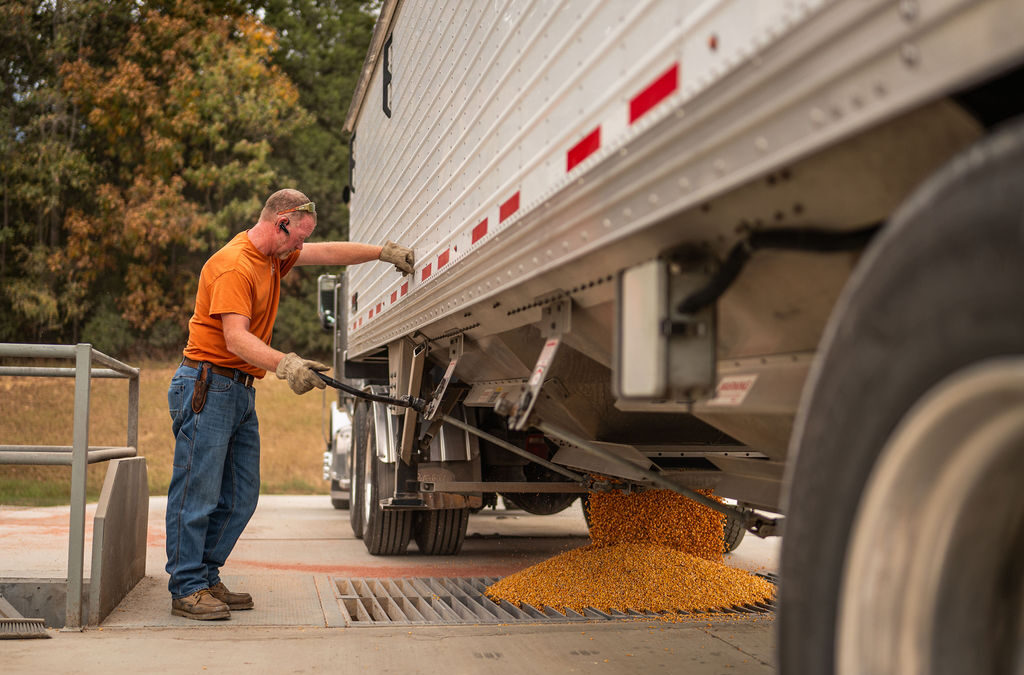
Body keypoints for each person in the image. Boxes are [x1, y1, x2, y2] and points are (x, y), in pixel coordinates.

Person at [165, 188, 413, 620]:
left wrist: (382, 253)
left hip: (239, 389)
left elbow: (329, 252)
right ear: (280, 222)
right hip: (208, 384)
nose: (301, 248)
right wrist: (287, 365)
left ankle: (205, 577)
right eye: (298, 237)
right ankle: (186, 587)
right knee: (197, 492)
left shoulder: (274, 256)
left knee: (241, 495)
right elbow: (235, 338)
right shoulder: (233, 265)